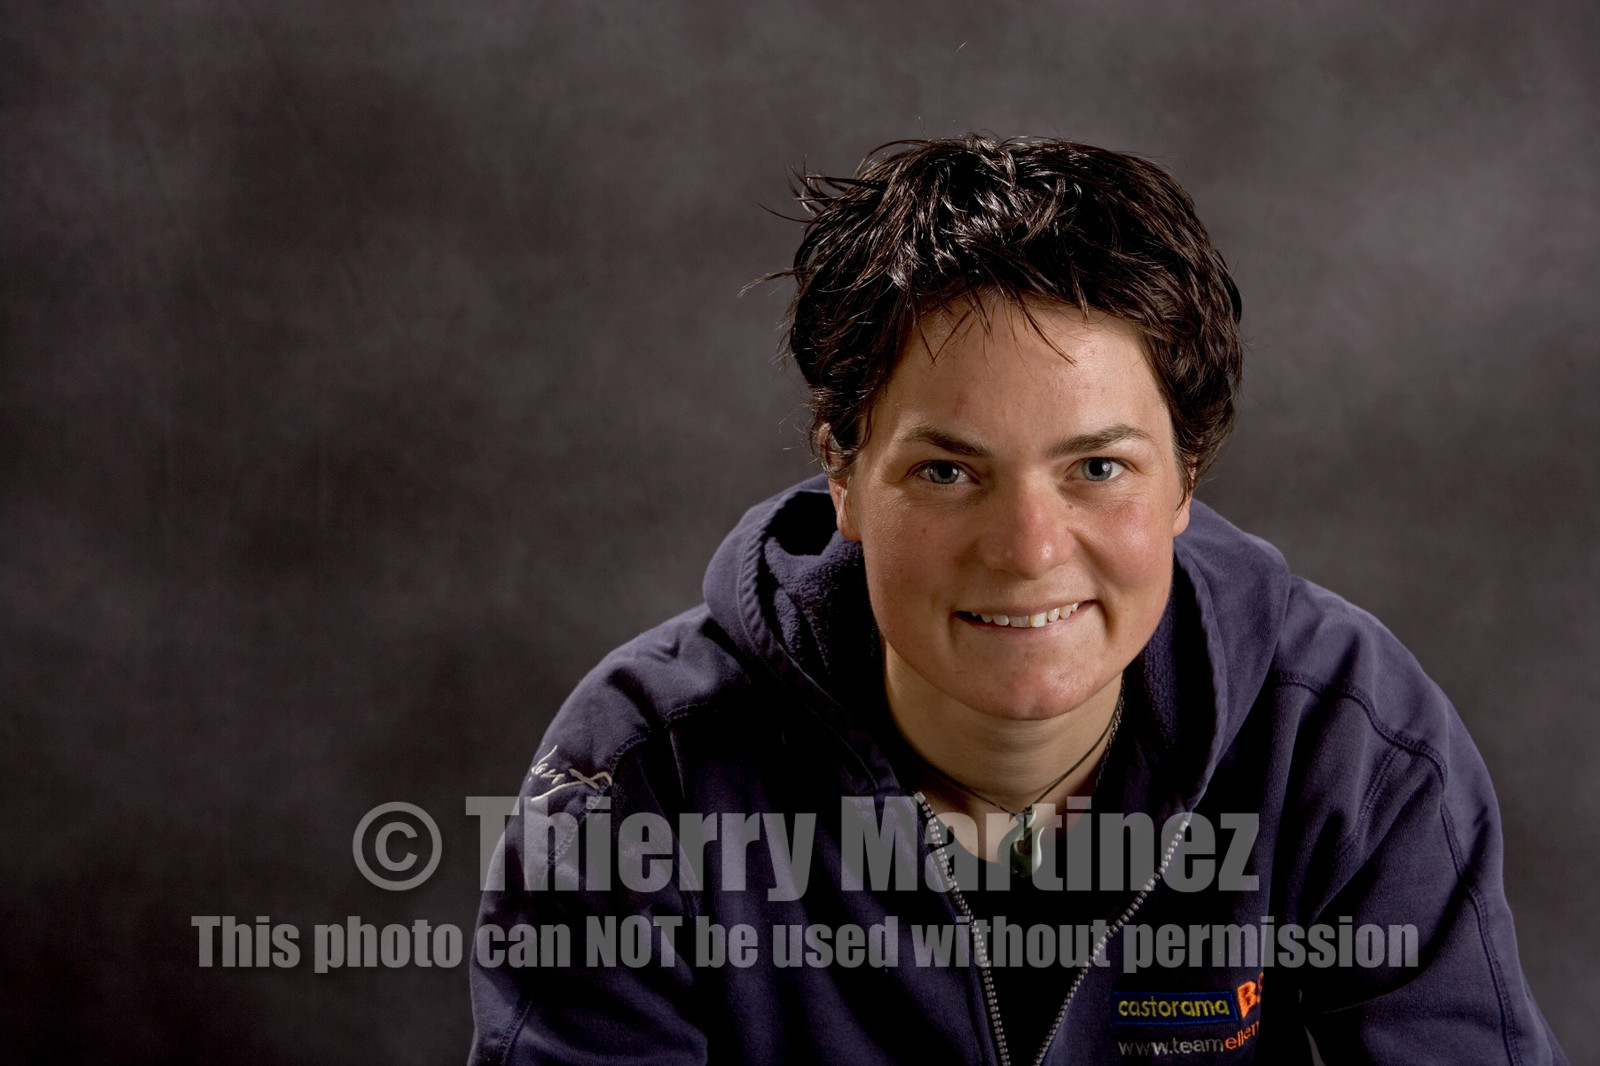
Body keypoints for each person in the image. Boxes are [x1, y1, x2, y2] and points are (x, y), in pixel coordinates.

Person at [468, 135, 1566, 1065]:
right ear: (843, 478)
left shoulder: (1348, 744)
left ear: (1187, 475)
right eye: (947, 471)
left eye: (1097, 468)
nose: (1029, 548)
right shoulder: (640, 776)